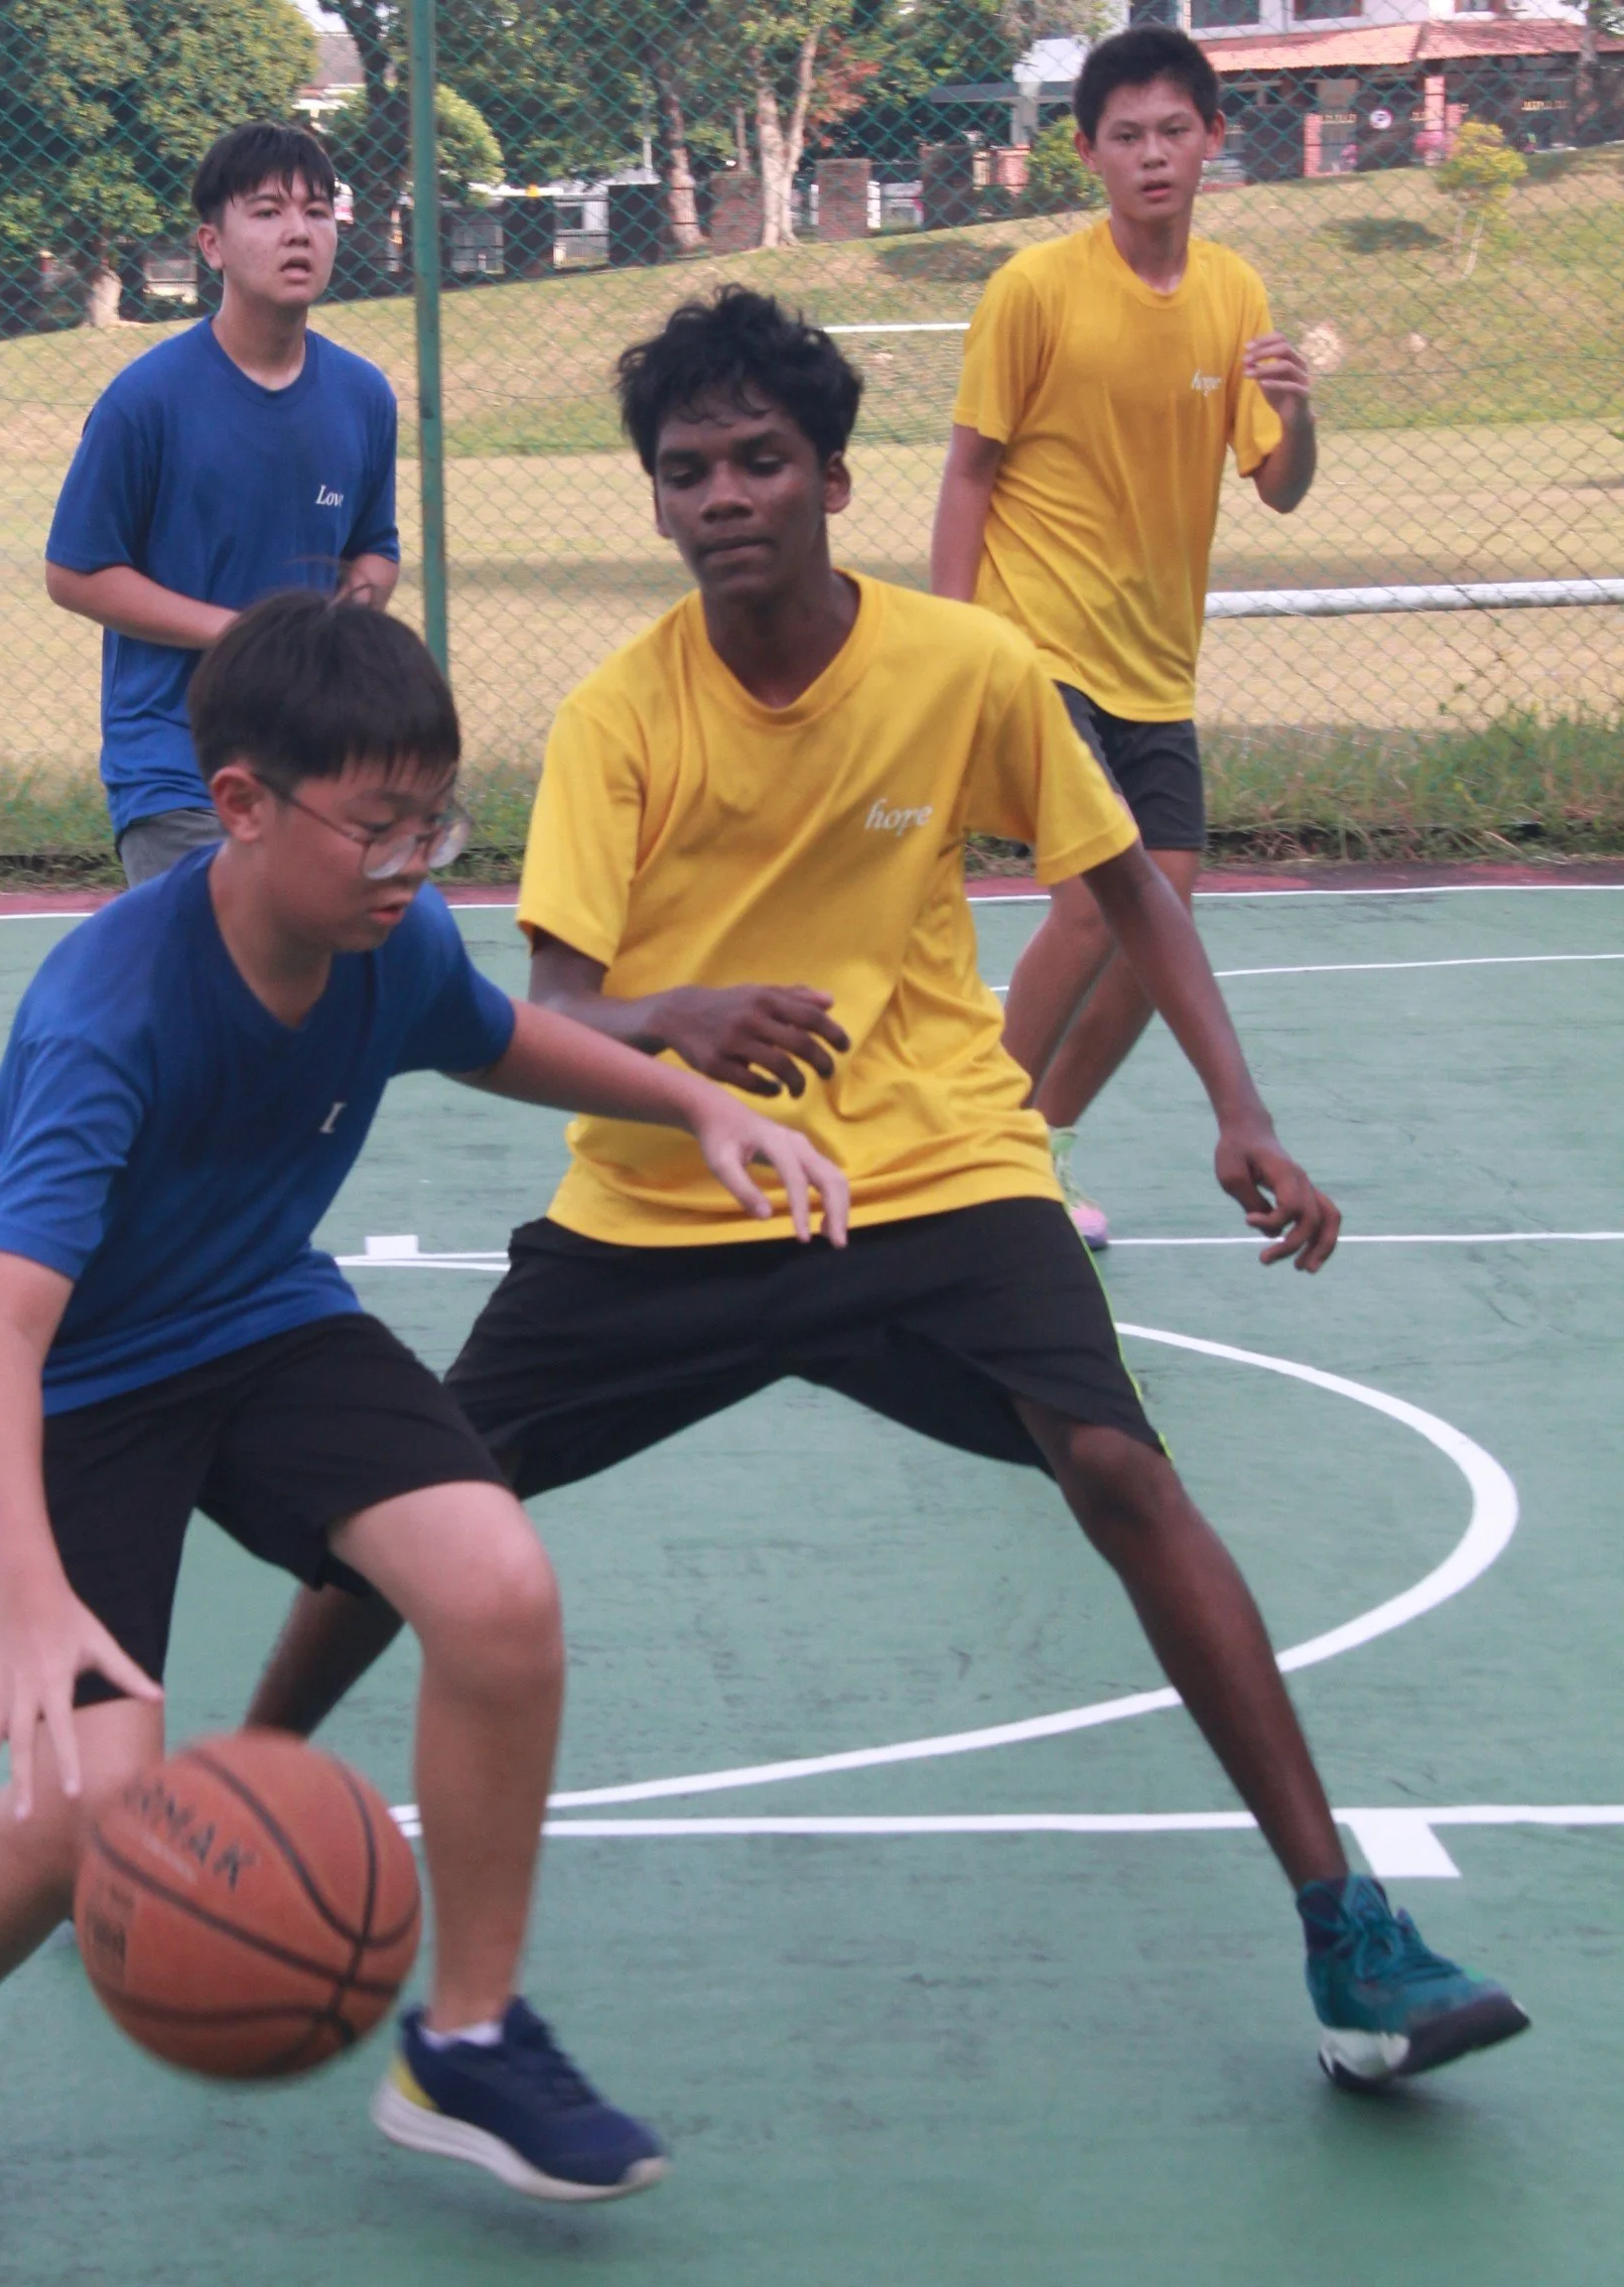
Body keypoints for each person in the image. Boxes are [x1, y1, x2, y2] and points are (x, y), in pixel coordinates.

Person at [247, 288, 1528, 2099]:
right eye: (683, 470)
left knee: (1116, 1467)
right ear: (656, 502)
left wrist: (1235, 1109)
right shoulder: (623, 713)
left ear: (832, 478)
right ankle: (227, 1785)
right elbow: (548, 1011)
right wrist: (677, 1021)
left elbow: (1127, 883)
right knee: (436, 1496)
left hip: (931, 1164)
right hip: (666, 1191)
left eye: (757, 457)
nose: (720, 495)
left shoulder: (963, 667)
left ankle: (1347, 1930)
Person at [0, 590, 852, 2253]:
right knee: (84, 1787)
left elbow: (503, 1036)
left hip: (256, 1314)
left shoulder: (389, 941)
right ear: (236, 803)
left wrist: (693, 1096)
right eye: (374, 825)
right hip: (66, 1374)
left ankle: (468, 2039)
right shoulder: (110, 1012)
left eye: (432, 821)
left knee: (496, 1584)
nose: (409, 862)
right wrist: (31, 1590)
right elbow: (1, 1320)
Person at [930, 25, 1319, 1248]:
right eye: (1126, 136)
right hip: (1034, 647)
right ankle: (961, 1151)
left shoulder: (1235, 295)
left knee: (1165, 934)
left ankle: (1033, 1147)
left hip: (1157, 668)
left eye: (1174, 131)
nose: (1153, 155)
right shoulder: (1035, 291)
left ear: (1213, 140)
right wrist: (950, 649)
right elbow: (966, 473)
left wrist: (1301, 413)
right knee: (1103, 906)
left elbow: (1281, 487)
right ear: (1088, 153)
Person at [45, 121, 399, 888]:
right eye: (267, 212)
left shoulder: (363, 396)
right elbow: (75, 573)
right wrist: (246, 639)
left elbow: (376, 545)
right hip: (178, 766)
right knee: (216, 986)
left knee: (331, 988)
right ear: (211, 245)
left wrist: (337, 631)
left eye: (316, 210)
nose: (298, 232)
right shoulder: (146, 401)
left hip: (313, 760)